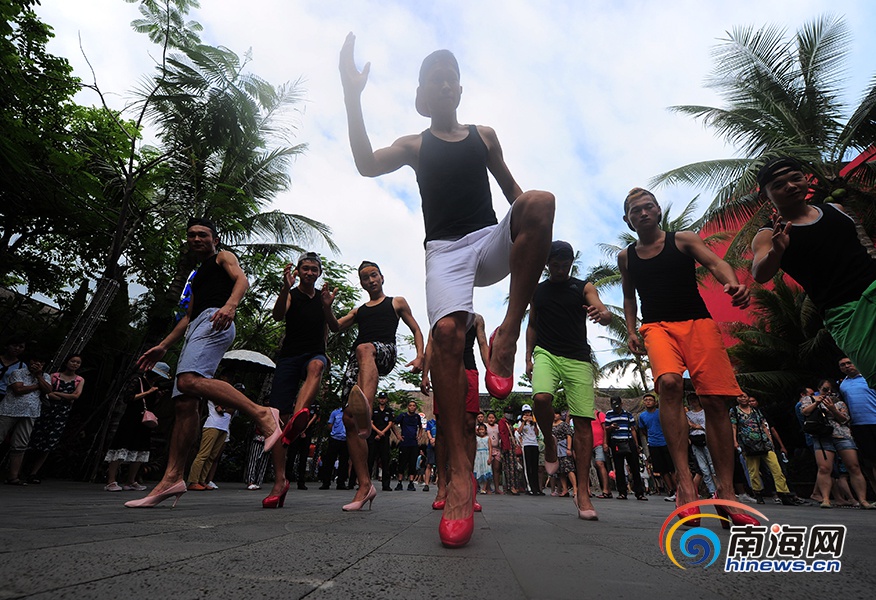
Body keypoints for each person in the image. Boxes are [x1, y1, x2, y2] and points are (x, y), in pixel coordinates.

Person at [340, 34, 555, 548]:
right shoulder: (417, 144)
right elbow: (368, 163)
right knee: (449, 334)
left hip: (487, 241)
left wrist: (532, 241)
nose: (443, 80)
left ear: (458, 88)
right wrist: (352, 95)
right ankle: (458, 478)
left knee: (541, 202)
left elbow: (515, 197)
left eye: (450, 74)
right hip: (445, 253)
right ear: (423, 95)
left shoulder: (484, 135)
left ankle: (507, 335)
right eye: (433, 76)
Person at [618, 187, 756, 527]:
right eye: (636, 210)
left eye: (649, 207)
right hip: (656, 327)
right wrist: (632, 330)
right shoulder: (627, 257)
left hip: (698, 323)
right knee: (668, 383)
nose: (644, 213)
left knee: (715, 400)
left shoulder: (683, 240)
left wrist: (732, 283)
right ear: (628, 219)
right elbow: (630, 298)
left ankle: (726, 493)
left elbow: (717, 262)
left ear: (659, 211)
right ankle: (686, 488)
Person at [127, 218, 282, 508]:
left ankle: (262, 414)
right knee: (185, 402)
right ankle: (172, 478)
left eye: (202, 234)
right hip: (198, 324)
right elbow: (186, 317)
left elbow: (242, 280)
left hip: (216, 319)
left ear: (215, 238)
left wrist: (230, 305)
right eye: (191, 235)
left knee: (186, 381)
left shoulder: (223, 256)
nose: (196, 239)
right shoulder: (197, 275)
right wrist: (162, 346)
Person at [752, 156, 876, 388]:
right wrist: (776, 252)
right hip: (845, 312)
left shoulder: (836, 209)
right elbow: (759, 273)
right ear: (765, 195)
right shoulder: (769, 233)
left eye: (796, 178)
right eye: (778, 185)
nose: (790, 186)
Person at [525, 239, 611, 519]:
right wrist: (528, 356)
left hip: (577, 358)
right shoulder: (537, 291)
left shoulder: (582, 287)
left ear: (571, 263)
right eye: (555, 265)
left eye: (565, 265)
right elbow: (533, 325)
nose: (560, 270)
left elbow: (602, 308)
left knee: (583, 420)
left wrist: (604, 314)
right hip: (546, 352)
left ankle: (582, 493)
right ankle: (549, 440)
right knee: (541, 398)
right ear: (547, 264)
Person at [332, 261, 424, 510]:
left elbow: (416, 329)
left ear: (381, 277)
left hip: (383, 352)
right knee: (349, 420)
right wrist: (325, 307)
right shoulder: (359, 310)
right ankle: (365, 486)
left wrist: (419, 356)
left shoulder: (396, 302)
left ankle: (366, 408)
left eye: (374, 275)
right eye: (365, 278)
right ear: (361, 283)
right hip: (359, 362)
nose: (370, 280)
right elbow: (334, 326)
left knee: (364, 348)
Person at [264, 252, 337, 509]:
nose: (309, 273)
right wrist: (285, 288)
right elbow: (276, 316)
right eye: (305, 269)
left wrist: (327, 306)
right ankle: (280, 480)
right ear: (298, 271)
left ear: (319, 272)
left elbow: (335, 327)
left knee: (317, 365)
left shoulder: (322, 298)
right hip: (288, 358)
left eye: (314, 269)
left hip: (314, 353)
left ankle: (299, 415)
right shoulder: (292, 295)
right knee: (276, 420)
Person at [421, 314, 489, 506]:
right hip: (443, 371)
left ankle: (467, 487)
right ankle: (442, 487)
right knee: (441, 427)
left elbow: (483, 344)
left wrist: (491, 370)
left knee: (469, 425)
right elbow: (431, 345)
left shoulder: (476, 319)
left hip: (469, 369)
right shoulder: (438, 317)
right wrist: (425, 374)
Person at [801, 379, 873, 509]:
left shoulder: (839, 402)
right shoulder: (809, 399)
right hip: (822, 436)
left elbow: (844, 419)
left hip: (842, 435)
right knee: (824, 468)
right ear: (819, 388)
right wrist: (818, 402)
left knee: (854, 466)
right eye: (825, 389)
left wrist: (833, 409)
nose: (828, 392)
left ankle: (863, 500)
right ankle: (826, 498)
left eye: (830, 390)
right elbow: (805, 412)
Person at [104, 363, 172, 491]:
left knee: (140, 449)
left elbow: (150, 405)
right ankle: (111, 481)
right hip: (131, 418)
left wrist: (157, 396)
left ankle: (131, 480)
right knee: (120, 447)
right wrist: (148, 392)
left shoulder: (154, 386)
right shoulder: (138, 380)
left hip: (144, 421)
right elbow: (128, 398)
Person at [26, 354, 85, 483]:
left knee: (49, 442)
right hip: (46, 410)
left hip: (61, 413)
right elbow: (47, 391)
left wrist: (57, 394)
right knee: (34, 437)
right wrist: (63, 396)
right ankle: (24, 468)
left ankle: (34, 472)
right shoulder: (54, 376)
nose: (75, 364)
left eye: (78, 363)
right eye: (72, 361)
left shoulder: (79, 379)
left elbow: (76, 396)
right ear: (67, 362)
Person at [730, 393, 794, 505]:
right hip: (748, 444)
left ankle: (784, 493)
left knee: (776, 468)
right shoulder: (734, 411)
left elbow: (764, 425)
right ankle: (758, 493)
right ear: (736, 398)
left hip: (764, 442)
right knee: (753, 471)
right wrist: (734, 441)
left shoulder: (756, 411)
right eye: (740, 396)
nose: (743, 398)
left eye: (745, 396)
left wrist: (770, 439)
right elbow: (733, 426)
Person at [0, 352, 52, 485]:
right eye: (35, 361)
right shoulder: (18, 373)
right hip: (9, 410)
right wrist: (38, 386)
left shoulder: (45, 376)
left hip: (30, 412)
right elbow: (18, 389)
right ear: (30, 361)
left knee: (20, 445)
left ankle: (13, 477)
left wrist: (39, 377)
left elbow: (48, 390)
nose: (37, 364)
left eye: (40, 362)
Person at [838, 357, 876, 490]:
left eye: (849, 363)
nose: (847, 366)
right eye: (843, 365)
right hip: (857, 426)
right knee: (868, 463)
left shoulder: (869, 378)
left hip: (874, 421)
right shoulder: (843, 385)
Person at [636, 392, 676, 502]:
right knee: (662, 470)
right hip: (653, 444)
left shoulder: (661, 413)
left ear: (655, 402)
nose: (648, 401)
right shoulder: (642, 416)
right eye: (646, 400)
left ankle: (679, 490)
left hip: (666, 442)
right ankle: (672, 491)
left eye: (650, 400)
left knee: (672, 468)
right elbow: (643, 429)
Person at [604, 396, 646, 500]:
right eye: (614, 406)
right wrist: (611, 428)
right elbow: (606, 429)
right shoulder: (609, 414)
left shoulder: (627, 414)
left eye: (618, 406)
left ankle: (639, 492)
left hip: (628, 441)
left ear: (621, 404)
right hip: (616, 442)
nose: (616, 408)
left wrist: (636, 444)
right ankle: (622, 492)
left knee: (635, 467)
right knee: (619, 468)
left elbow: (632, 429)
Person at [187, 400, 233, 491]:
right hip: (212, 425)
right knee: (203, 454)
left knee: (212, 456)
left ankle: (202, 480)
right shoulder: (214, 394)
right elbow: (221, 408)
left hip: (224, 427)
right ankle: (193, 481)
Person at [686, 393, 717, 498]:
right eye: (690, 400)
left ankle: (719, 489)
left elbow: (708, 425)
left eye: (694, 399)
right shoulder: (688, 414)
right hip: (695, 440)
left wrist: (694, 426)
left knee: (712, 465)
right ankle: (712, 491)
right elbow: (687, 427)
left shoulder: (705, 412)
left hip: (706, 438)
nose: (693, 401)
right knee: (703, 468)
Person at [368, 392, 395, 491]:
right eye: (381, 398)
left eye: (384, 398)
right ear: (378, 399)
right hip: (374, 437)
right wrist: (378, 432)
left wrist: (382, 432)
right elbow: (370, 423)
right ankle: (366, 484)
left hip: (384, 437)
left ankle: (386, 484)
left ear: (386, 399)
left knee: (385, 461)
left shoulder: (389, 411)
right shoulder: (373, 410)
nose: (382, 400)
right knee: (370, 460)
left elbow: (390, 423)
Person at [394, 400, 422, 491]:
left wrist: (419, 436)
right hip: (404, 443)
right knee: (402, 463)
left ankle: (411, 483)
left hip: (413, 443)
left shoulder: (417, 417)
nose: (412, 407)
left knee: (412, 463)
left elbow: (421, 427)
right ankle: (399, 482)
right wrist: (398, 435)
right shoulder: (403, 416)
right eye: (410, 405)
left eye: (414, 405)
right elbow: (393, 424)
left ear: (415, 407)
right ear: (408, 407)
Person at [319, 406, 349, 490]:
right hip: (335, 439)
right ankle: (326, 483)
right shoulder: (335, 412)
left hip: (346, 440)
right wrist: (335, 431)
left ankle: (341, 483)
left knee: (344, 462)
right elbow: (330, 424)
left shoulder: (352, 413)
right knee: (329, 461)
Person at [516, 405, 541, 495]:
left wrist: (534, 423)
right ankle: (530, 488)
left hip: (534, 444)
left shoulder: (533, 422)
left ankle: (537, 488)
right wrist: (524, 421)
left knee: (535, 467)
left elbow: (537, 433)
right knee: (528, 467)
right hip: (526, 444)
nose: (527, 414)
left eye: (529, 412)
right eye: (525, 412)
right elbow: (519, 431)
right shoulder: (521, 422)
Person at [551, 409, 576, 498]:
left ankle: (575, 489)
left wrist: (569, 448)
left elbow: (569, 435)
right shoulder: (550, 425)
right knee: (560, 470)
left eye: (556, 414)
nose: (555, 415)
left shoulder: (564, 425)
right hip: (555, 448)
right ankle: (564, 489)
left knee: (569, 468)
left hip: (564, 447)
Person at [498, 406, 520, 495]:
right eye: (507, 412)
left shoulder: (509, 423)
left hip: (512, 445)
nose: (509, 414)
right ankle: (511, 486)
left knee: (513, 466)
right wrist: (506, 447)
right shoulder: (502, 422)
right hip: (507, 446)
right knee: (509, 467)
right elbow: (502, 434)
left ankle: (513, 486)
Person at [591, 407, 612, 499]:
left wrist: (605, 442)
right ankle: (588, 490)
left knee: (600, 464)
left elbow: (605, 429)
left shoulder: (600, 414)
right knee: (587, 466)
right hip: (587, 444)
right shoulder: (584, 415)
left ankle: (606, 490)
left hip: (599, 443)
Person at [0, 337, 27, 402]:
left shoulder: (22, 366)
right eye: (14, 345)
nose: (17, 348)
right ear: (7, 346)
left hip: (4, 397)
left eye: (21, 347)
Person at [485, 412, 502, 493]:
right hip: (488, 450)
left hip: (497, 449)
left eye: (492, 418)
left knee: (496, 469)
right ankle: (488, 488)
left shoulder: (498, 427)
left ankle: (497, 488)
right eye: (489, 418)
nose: (491, 419)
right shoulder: (485, 426)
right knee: (488, 469)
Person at [473, 423, 493, 494]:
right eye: (480, 429)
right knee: (478, 470)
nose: (481, 431)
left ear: (485, 430)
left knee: (486, 470)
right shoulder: (476, 438)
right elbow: (475, 448)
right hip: (478, 455)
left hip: (485, 455)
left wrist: (490, 457)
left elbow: (490, 448)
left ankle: (484, 488)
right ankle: (477, 487)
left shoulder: (488, 438)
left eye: (483, 429)